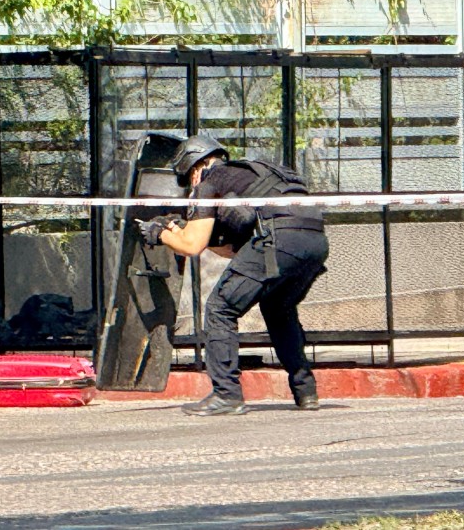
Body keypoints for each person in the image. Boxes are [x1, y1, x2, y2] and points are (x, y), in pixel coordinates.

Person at [140, 135, 328, 417]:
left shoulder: (210, 181)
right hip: (314, 241)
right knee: (279, 309)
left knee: (220, 308)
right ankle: (306, 392)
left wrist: (160, 233)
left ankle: (226, 394)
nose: (189, 188)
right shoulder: (249, 175)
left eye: (186, 179)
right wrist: (187, 233)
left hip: (277, 238)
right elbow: (235, 251)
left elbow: (192, 246)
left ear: (195, 166)